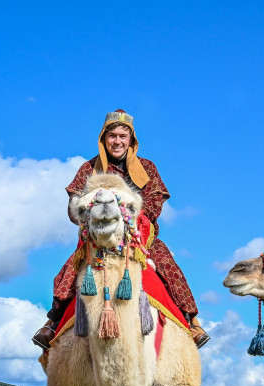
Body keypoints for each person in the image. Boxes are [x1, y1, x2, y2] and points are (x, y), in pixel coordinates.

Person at [32, 109, 209, 349]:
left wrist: (131, 216)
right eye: (112, 136)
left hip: (139, 235)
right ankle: (52, 324)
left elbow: (155, 201)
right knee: (69, 271)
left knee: (168, 266)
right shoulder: (89, 169)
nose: (117, 141)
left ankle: (191, 322)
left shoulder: (147, 168)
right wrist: (88, 215)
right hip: (98, 236)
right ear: (104, 138)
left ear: (131, 140)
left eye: (122, 136)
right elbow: (74, 205)